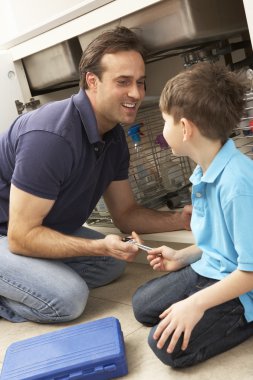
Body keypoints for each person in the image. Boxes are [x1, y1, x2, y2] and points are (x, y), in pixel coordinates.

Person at [0, 26, 191, 323]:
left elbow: (125, 214)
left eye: (140, 82)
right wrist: (97, 245)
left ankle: (26, 278)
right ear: (93, 81)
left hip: (31, 228)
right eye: (123, 82)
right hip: (11, 232)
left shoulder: (113, 136)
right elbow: (21, 236)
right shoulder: (51, 136)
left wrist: (182, 220)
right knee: (68, 298)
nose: (137, 93)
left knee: (110, 266)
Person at [132, 62, 253, 368]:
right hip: (213, 267)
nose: (162, 130)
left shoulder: (238, 184)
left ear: (184, 128)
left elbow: (250, 270)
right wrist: (183, 256)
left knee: (164, 347)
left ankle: (242, 321)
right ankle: (200, 299)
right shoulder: (205, 170)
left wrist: (196, 303)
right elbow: (223, 240)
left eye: (164, 122)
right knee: (143, 305)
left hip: (243, 289)